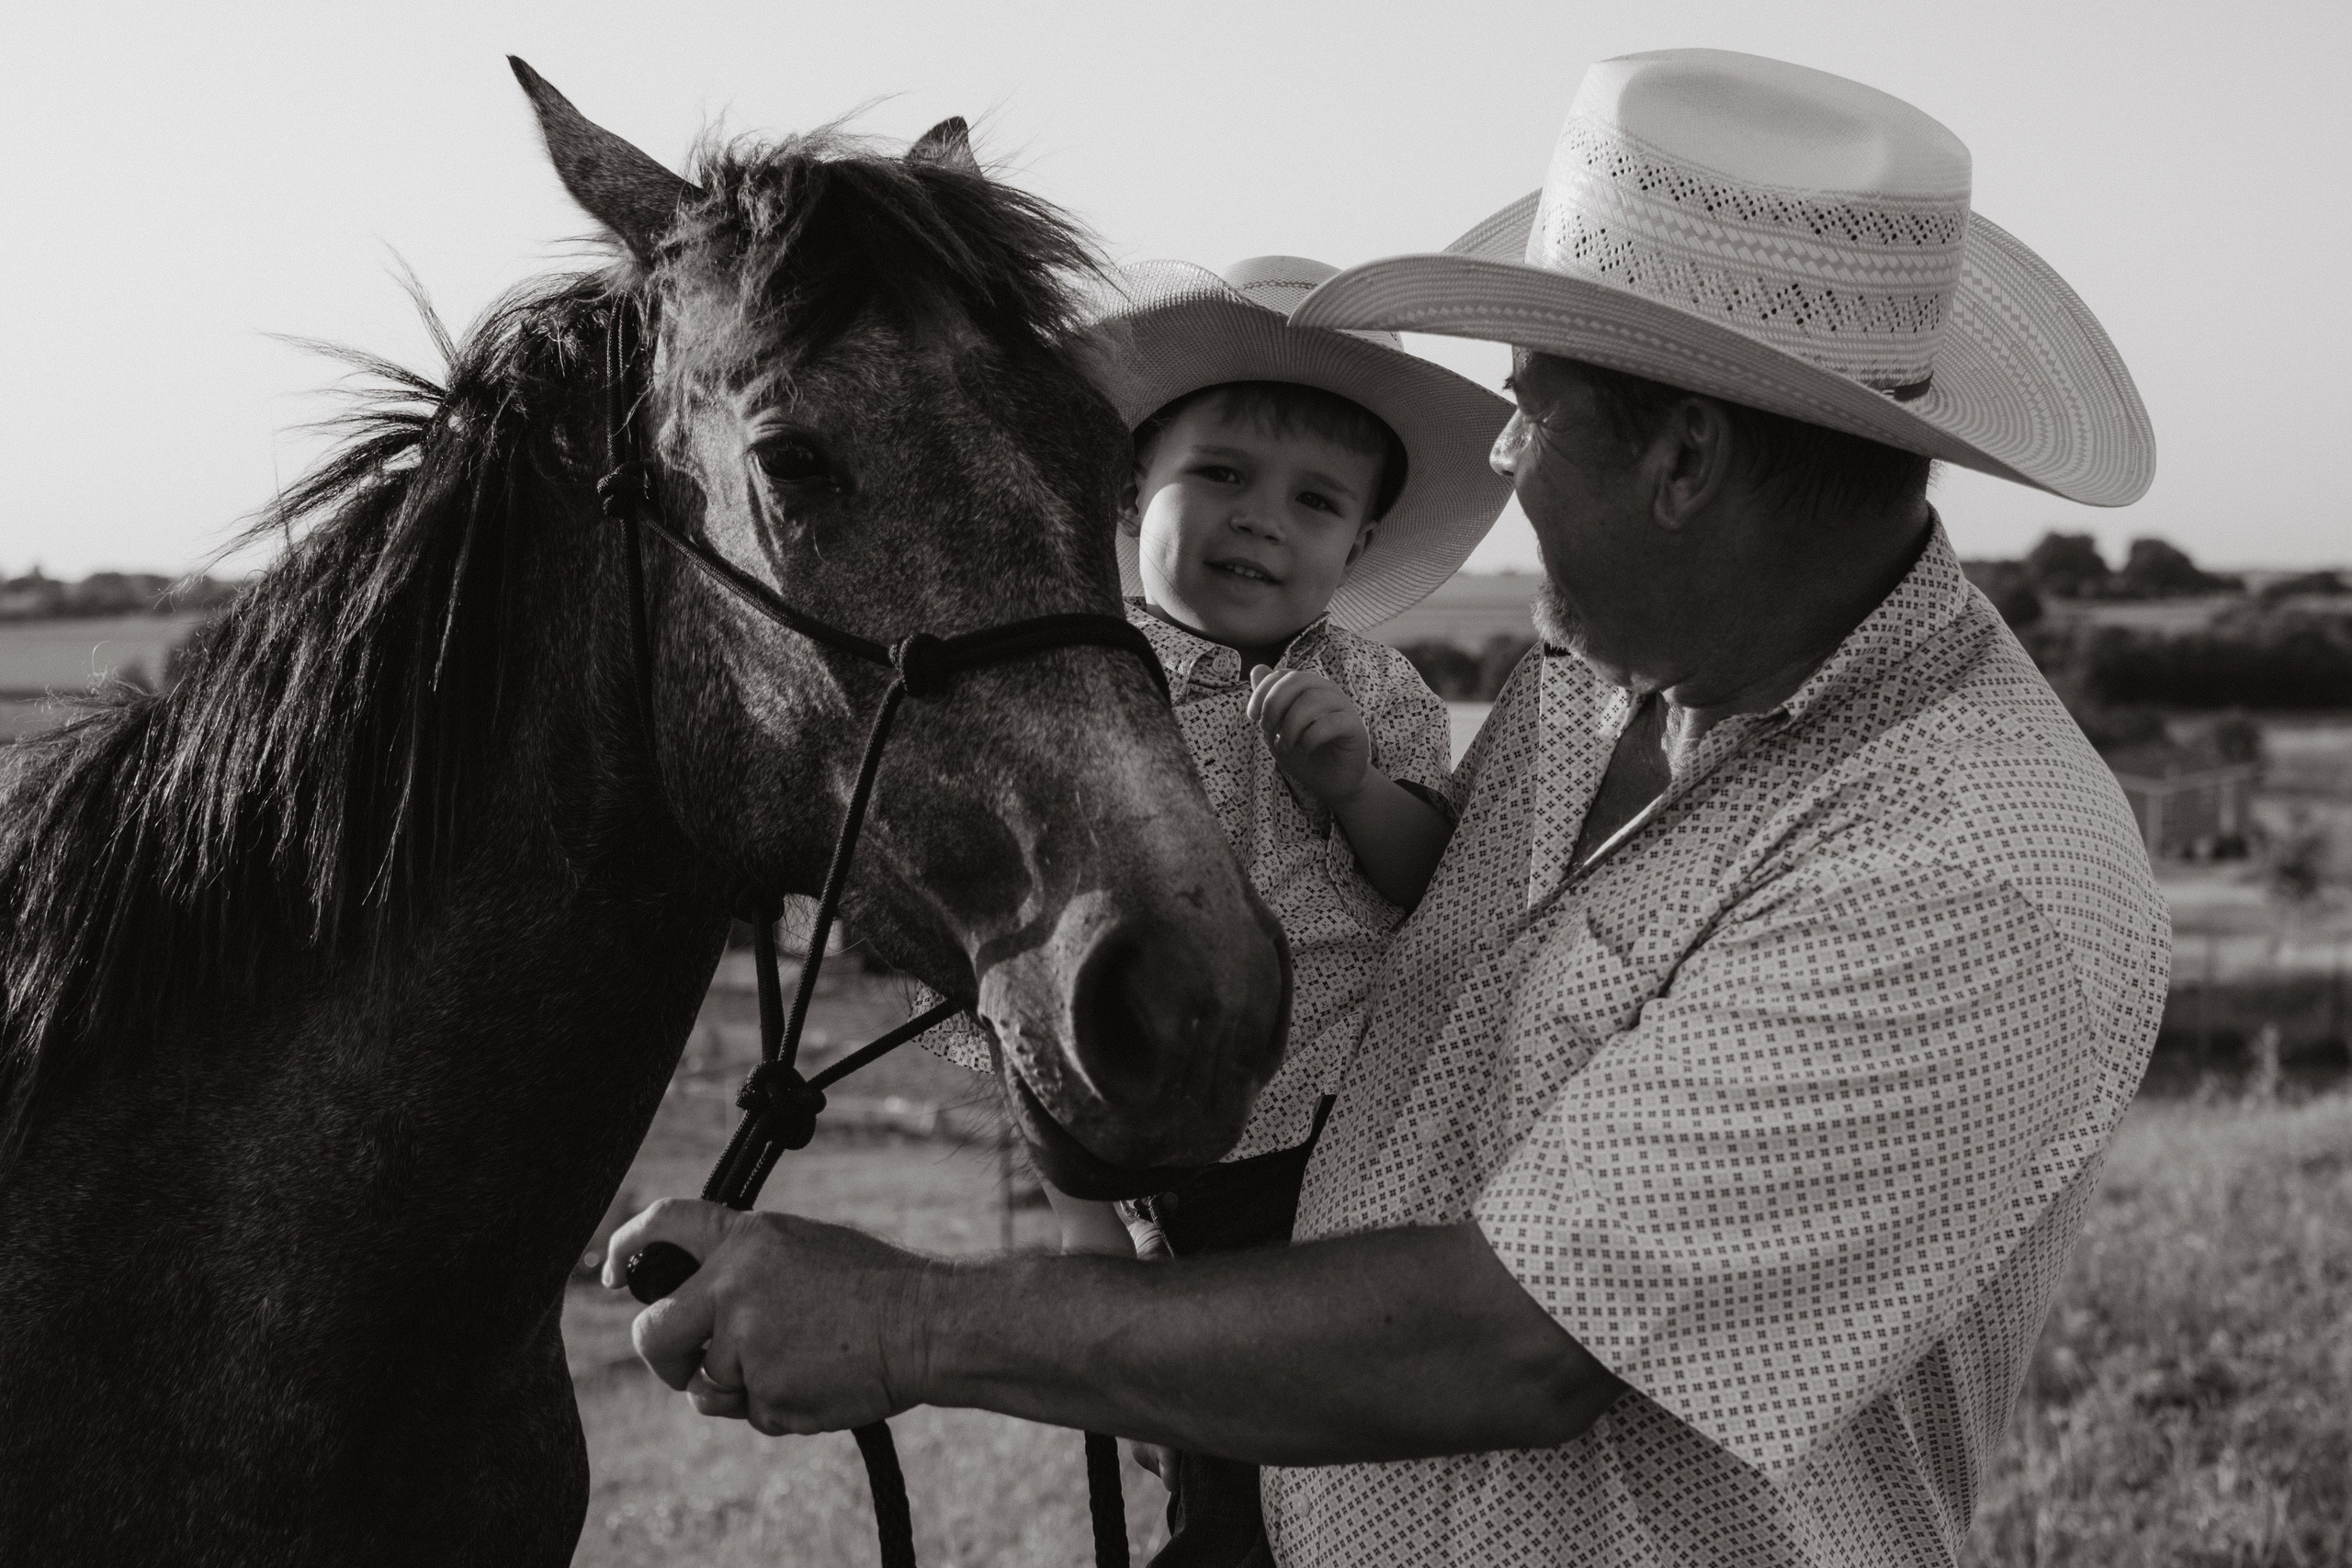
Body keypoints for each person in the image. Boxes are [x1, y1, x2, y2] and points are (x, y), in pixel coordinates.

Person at [605, 50, 2170, 1565]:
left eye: (1529, 406)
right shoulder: (1598, 679)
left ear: (1685, 458)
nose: (1499, 452)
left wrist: (910, 1322)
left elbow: (1517, 1344)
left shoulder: (1975, 864)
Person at [911, 253, 1514, 1562]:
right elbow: (1007, 964)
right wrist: (1083, 1218)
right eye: (1221, 475)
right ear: (1133, 485)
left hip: (1371, 1149)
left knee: (1377, 1489)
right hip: (1180, 1180)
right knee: (1228, 1497)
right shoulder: (1081, 690)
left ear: (1360, 543)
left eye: (1315, 501)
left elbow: (1439, 889)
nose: (1262, 522)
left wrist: (1352, 789)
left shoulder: (1380, 689)